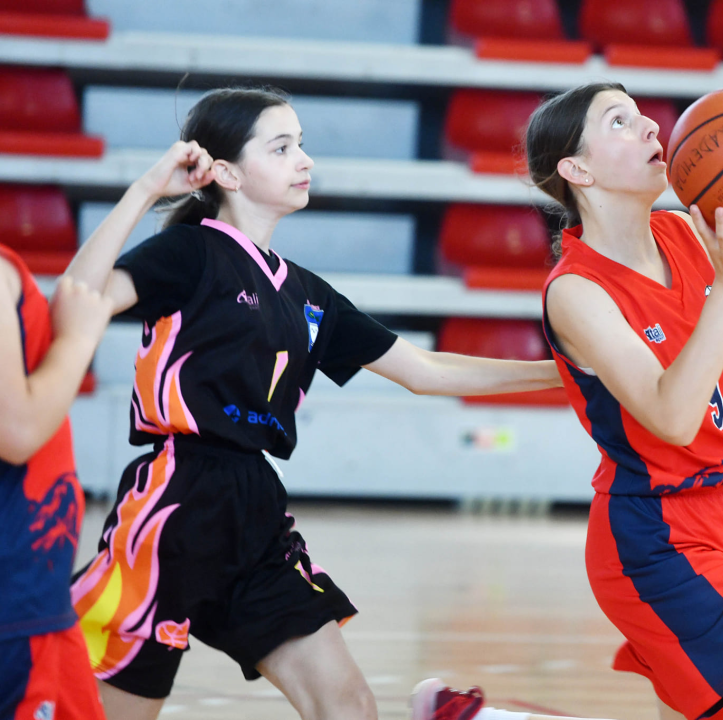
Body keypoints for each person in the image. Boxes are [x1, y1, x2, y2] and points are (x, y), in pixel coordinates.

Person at [63, 86, 563, 720]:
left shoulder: (307, 293)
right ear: (226, 173)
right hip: (175, 502)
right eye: (281, 147)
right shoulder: (190, 253)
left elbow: (425, 370)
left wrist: (567, 374)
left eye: (301, 144)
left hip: (255, 507)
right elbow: (80, 294)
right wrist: (145, 192)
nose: (304, 160)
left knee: (349, 706)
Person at [409, 83, 723, 720]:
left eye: (643, 115)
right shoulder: (577, 291)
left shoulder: (683, 232)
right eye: (619, 122)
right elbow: (673, 418)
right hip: (654, 535)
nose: (652, 127)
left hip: (719, 515)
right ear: (578, 169)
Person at [0, 240, 112, 719]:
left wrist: (146, 190)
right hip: (17, 609)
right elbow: (17, 430)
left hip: (36, 602)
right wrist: (80, 340)